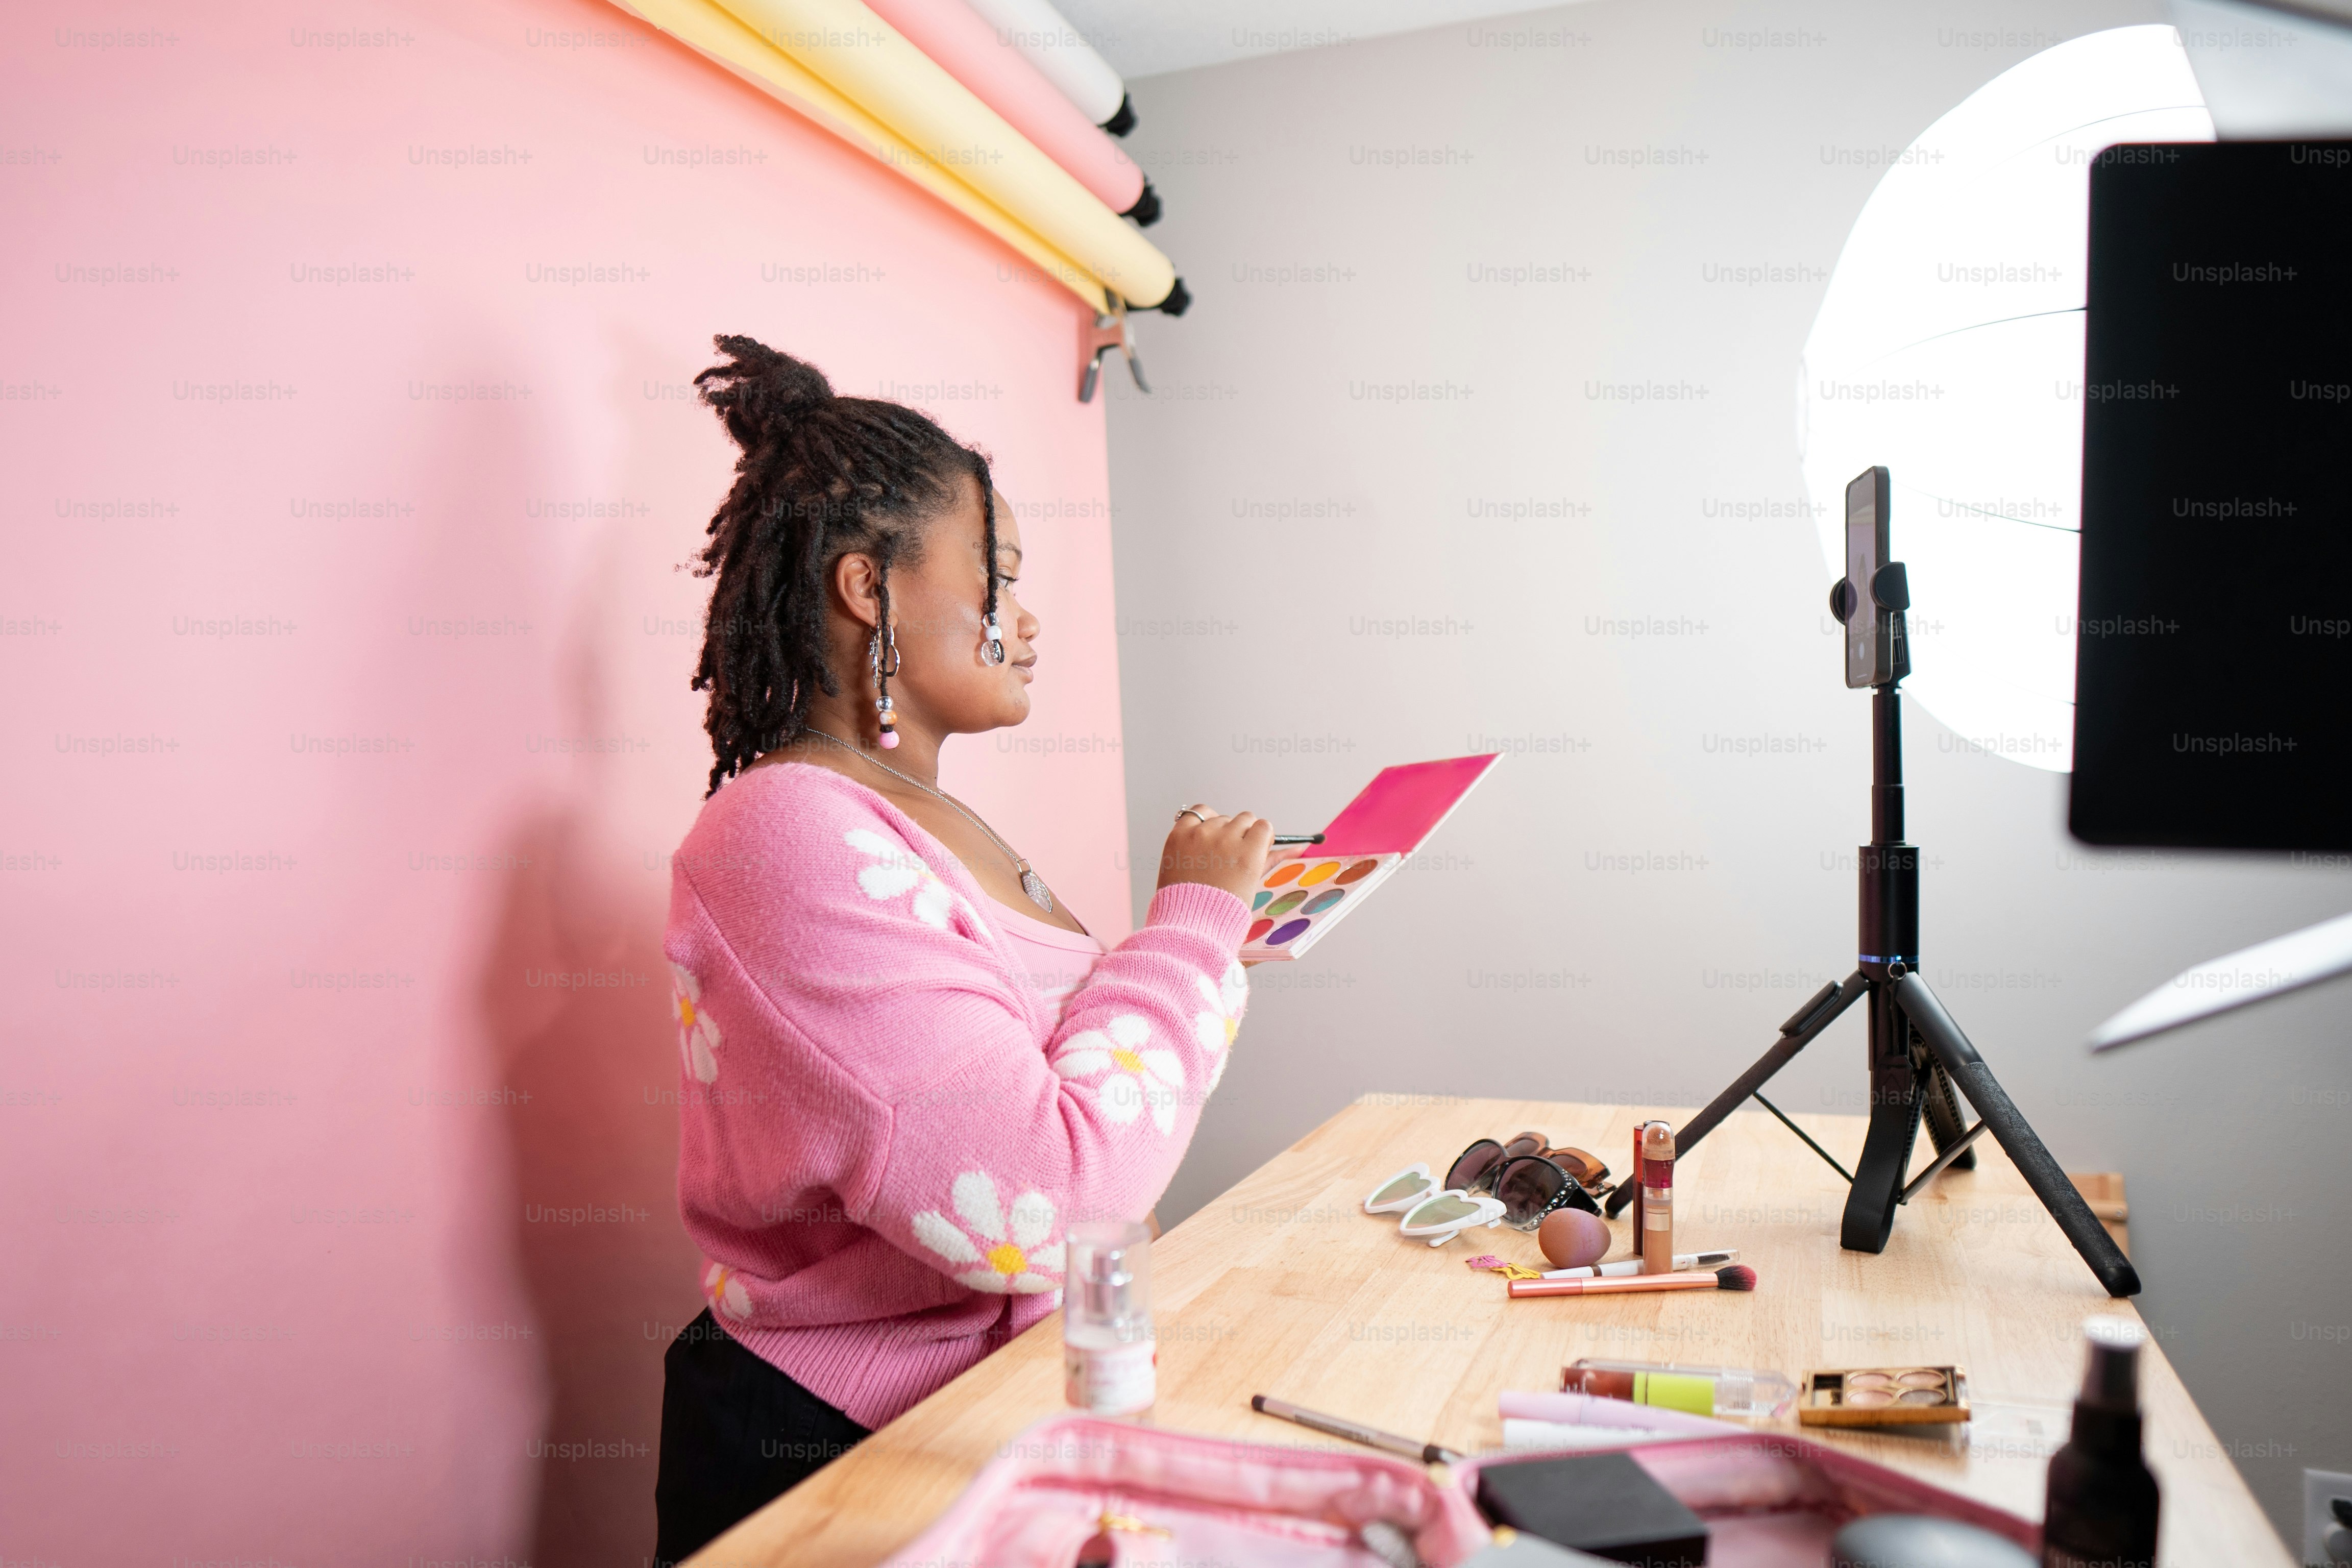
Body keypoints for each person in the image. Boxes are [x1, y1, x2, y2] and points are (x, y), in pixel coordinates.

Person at [651, 336, 1271, 1562]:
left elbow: (1043, 1077)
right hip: (841, 1447)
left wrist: (1193, 947)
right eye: (1001, 575)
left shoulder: (918, 823)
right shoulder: (781, 836)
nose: (1028, 621)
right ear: (867, 589)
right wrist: (1189, 933)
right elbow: (1053, 1199)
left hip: (994, 1412)